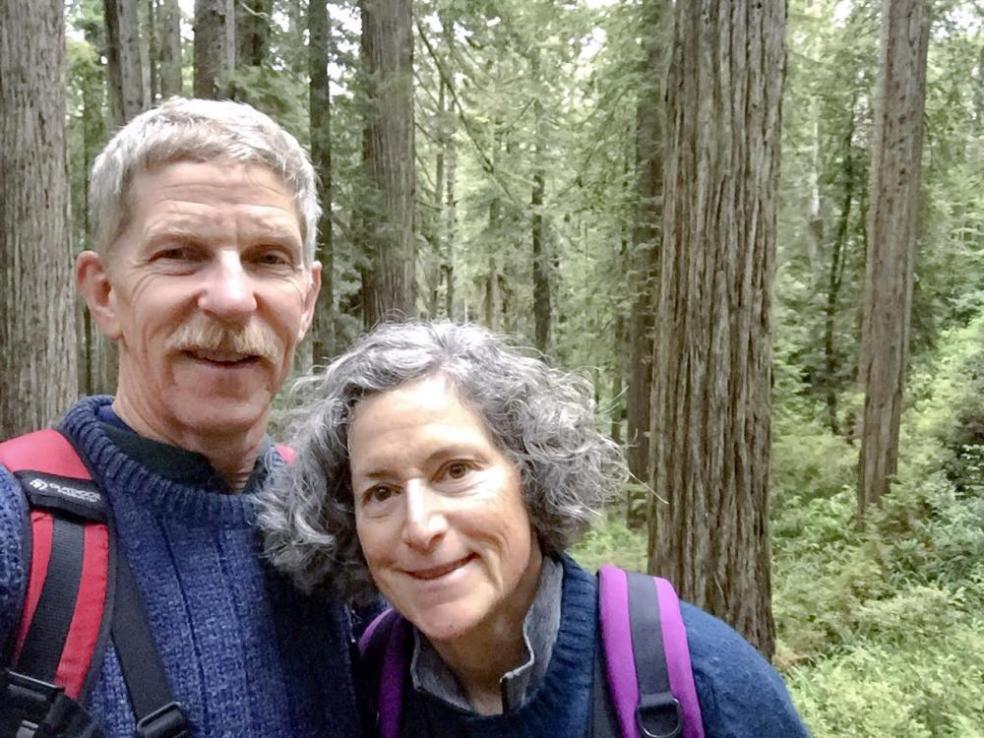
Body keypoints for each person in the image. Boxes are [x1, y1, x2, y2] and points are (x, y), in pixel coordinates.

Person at [0, 98, 361, 737]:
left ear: (306, 300)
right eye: (180, 253)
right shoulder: (19, 529)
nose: (231, 299)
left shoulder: (344, 528)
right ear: (104, 293)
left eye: (269, 258)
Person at [259, 321, 811, 737]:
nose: (421, 526)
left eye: (455, 471)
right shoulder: (374, 691)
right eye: (380, 493)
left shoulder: (702, 679)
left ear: (530, 475)